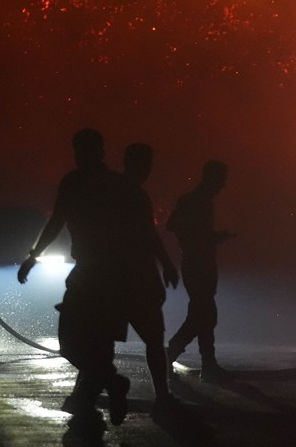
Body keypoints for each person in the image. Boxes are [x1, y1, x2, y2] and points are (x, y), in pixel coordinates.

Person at [18, 128, 131, 430]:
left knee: (84, 342)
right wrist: (33, 256)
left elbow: (58, 221)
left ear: (97, 151)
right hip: (101, 271)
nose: (80, 156)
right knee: (84, 343)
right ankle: (107, 387)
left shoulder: (92, 183)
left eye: (84, 150)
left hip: (101, 271)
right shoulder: (105, 183)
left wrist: (33, 257)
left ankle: (93, 398)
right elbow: (58, 220)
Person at [121, 142, 182, 414]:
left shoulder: (112, 192)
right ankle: (162, 395)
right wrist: (166, 264)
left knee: (101, 340)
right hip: (139, 276)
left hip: (114, 276)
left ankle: (84, 393)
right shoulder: (137, 195)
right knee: (154, 340)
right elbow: (149, 234)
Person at [165, 160, 235, 380]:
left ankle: (205, 362)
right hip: (198, 265)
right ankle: (174, 353)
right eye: (221, 179)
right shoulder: (197, 202)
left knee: (202, 314)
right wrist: (211, 237)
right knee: (204, 315)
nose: (223, 184)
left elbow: (176, 226)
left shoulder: (196, 201)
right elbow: (176, 226)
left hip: (199, 264)